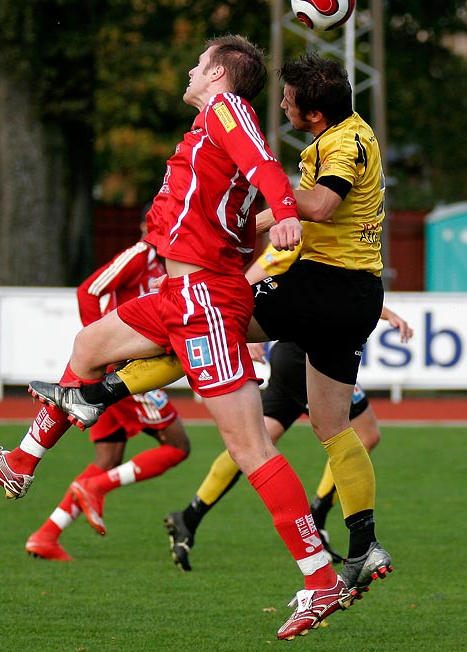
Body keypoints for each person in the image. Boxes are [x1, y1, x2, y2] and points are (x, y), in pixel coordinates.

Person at [0, 36, 350, 640]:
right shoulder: (212, 129)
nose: (190, 69)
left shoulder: (228, 112)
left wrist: (287, 209)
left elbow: (265, 169)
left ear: (219, 74)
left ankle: (320, 577)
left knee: (250, 447)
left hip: (203, 300)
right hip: (175, 297)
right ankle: (20, 462)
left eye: (199, 62)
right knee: (88, 345)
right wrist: (257, 213)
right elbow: (237, 195)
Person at [163, 242, 414, 572]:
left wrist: (386, 312)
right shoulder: (303, 231)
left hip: (293, 354)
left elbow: (324, 287)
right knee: (362, 433)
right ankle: (320, 517)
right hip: (308, 355)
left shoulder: (322, 234)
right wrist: (240, 331)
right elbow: (256, 277)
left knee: (256, 441)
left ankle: (190, 516)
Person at [26, 208, 190, 560]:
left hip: (125, 366)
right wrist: (104, 352)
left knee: (109, 454)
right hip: (124, 369)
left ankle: (46, 535)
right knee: (177, 446)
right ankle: (94, 487)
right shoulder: (141, 255)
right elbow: (89, 291)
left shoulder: (175, 263)